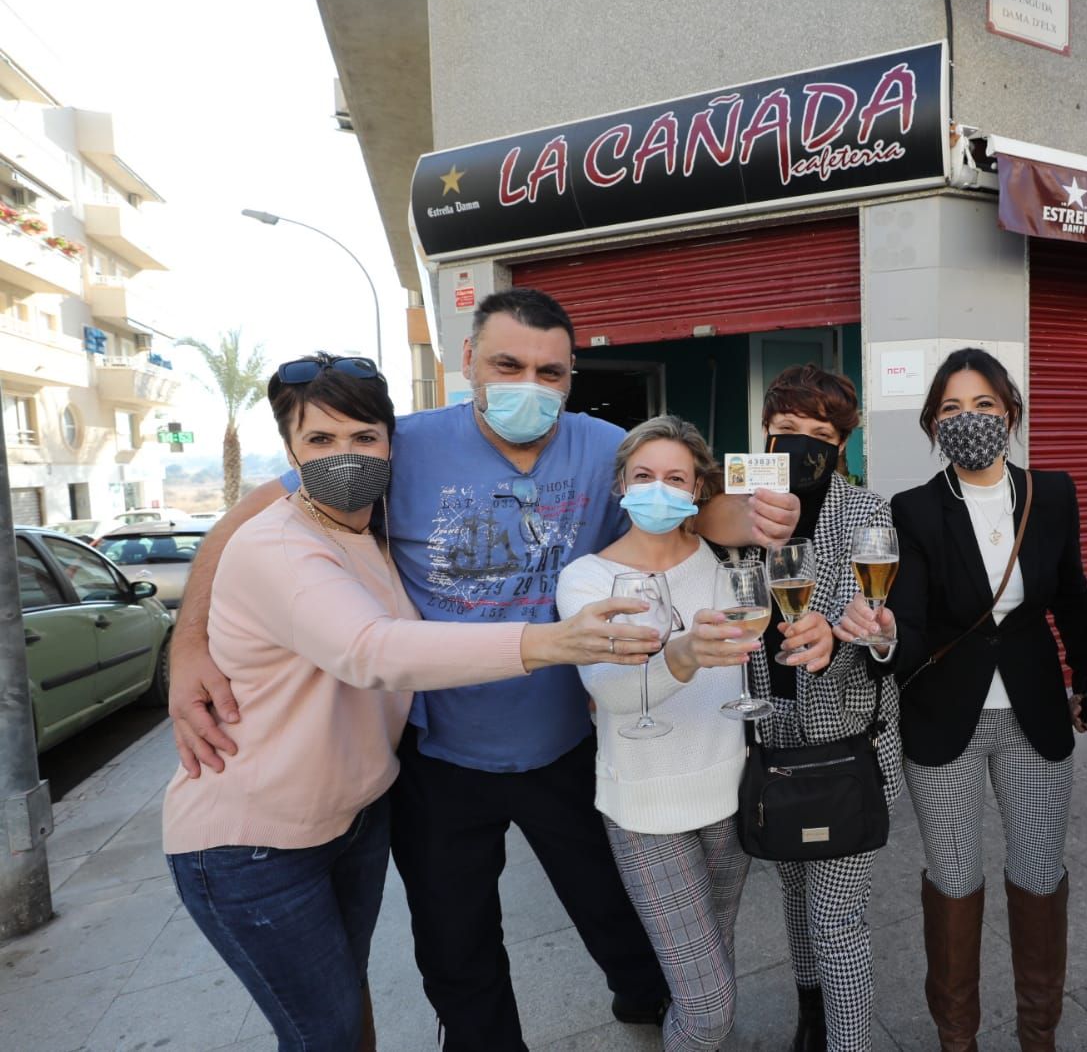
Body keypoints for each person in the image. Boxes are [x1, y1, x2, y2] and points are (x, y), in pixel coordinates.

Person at [165, 288, 800, 1051]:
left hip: (565, 743)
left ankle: (648, 1006)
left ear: (570, 377)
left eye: (550, 371)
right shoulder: (391, 445)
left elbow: (693, 507)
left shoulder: (603, 446)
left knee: (616, 913)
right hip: (441, 757)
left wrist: (758, 520)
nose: (528, 385)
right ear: (465, 361)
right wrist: (191, 644)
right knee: (456, 946)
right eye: (506, 364)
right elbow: (245, 524)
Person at [838, 347, 1087, 1052]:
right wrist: (888, 633)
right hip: (944, 714)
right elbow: (911, 615)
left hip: (1033, 712)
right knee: (954, 879)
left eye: (983, 405)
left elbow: (1072, 597)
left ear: (1009, 414)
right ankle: (956, 1037)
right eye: (951, 409)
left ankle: (1036, 1034)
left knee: (1038, 874)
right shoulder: (915, 508)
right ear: (932, 423)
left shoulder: (1054, 492)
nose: (969, 420)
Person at [555, 415, 834, 1051]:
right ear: (621, 483)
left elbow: (792, 596)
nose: (659, 488)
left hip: (729, 796)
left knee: (714, 964)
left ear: (697, 490)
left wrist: (829, 628)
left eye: (675, 477)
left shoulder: (725, 563)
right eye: (644, 475)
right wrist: (682, 652)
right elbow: (610, 690)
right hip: (645, 810)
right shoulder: (587, 578)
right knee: (708, 1005)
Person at [724, 364, 902, 1052]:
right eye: (786, 430)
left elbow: (879, 618)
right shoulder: (737, 504)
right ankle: (810, 1012)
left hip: (846, 738)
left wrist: (845, 632)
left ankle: (848, 1039)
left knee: (837, 913)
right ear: (764, 435)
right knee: (795, 894)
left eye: (819, 434)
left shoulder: (865, 510)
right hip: (768, 736)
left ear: (842, 444)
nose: (801, 445)